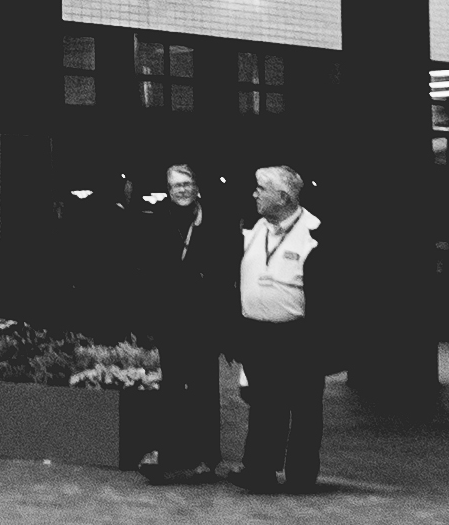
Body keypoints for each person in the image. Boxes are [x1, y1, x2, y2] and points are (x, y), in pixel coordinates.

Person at [234, 165, 331, 492]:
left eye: (261, 188)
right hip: (256, 333)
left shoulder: (316, 232)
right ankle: (259, 470)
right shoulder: (254, 227)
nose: (254, 193)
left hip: (299, 335)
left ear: (284, 196)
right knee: (263, 404)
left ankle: (301, 476)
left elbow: (332, 293)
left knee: (304, 406)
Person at [141, 163, 234, 482]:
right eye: (174, 185)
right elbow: (147, 270)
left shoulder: (215, 222)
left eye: (186, 183)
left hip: (204, 320)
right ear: (167, 189)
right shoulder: (156, 221)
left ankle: (207, 458)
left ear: (197, 186)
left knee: (204, 390)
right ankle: (169, 453)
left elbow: (226, 272)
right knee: (171, 388)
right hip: (170, 319)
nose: (181, 189)